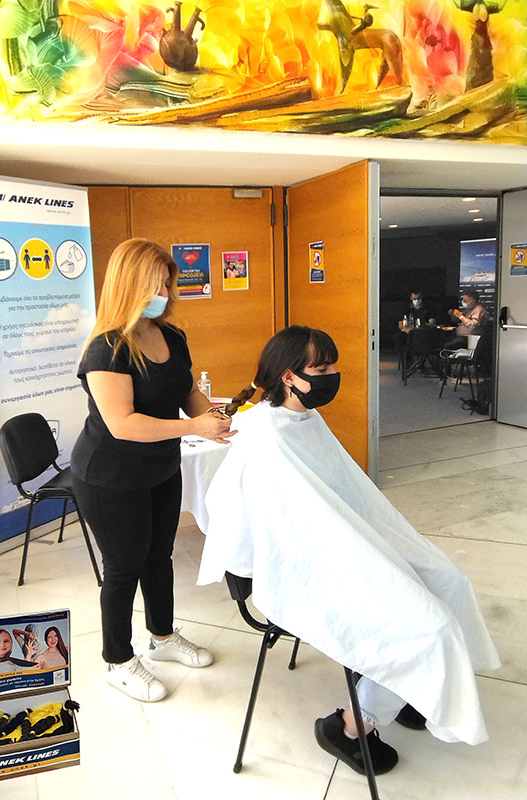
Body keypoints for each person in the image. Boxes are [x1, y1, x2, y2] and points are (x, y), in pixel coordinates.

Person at [198, 325, 499, 775]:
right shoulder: (263, 435)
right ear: (289, 376)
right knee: (429, 626)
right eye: (321, 369)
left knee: (449, 581)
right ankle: (348, 725)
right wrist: (362, 553)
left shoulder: (303, 418)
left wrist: (374, 542)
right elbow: (285, 528)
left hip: (343, 542)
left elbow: (345, 495)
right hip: (305, 564)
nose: (332, 376)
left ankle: (414, 683)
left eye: (331, 367)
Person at [71, 238, 236, 703]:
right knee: (124, 567)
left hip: (160, 466)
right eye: (157, 283)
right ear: (130, 284)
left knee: (159, 556)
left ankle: (162, 638)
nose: (166, 291)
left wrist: (215, 419)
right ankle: (118, 660)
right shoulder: (106, 349)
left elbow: (188, 392)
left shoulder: (172, 336)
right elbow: (122, 423)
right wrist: (193, 427)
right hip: (109, 476)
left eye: (168, 282)